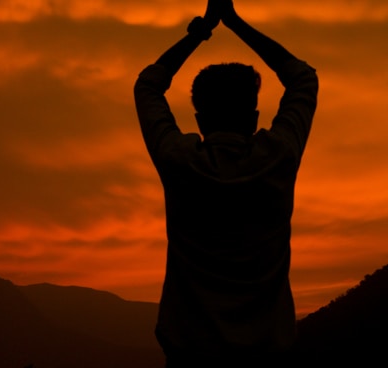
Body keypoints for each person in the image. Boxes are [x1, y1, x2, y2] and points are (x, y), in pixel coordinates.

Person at [134, 0, 318, 366]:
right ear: (253, 117)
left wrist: (197, 36)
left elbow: (148, 87)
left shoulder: (179, 159)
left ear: (200, 120)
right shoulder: (278, 155)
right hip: (269, 351)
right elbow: (303, 77)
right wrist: (235, 23)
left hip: (191, 352)